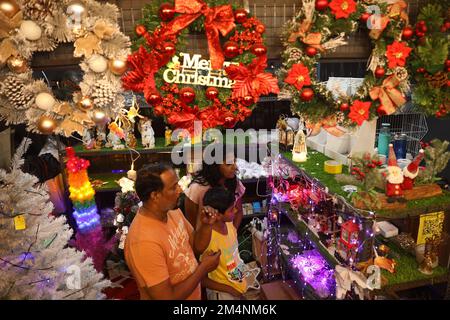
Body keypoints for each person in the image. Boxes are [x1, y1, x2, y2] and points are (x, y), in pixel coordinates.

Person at [124, 163, 221, 300]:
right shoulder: (143, 242)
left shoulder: (173, 212)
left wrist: (206, 226)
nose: (180, 190)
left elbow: (196, 247)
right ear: (155, 195)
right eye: (173, 187)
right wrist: (203, 268)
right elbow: (167, 297)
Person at [194, 187, 248, 300]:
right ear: (217, 215)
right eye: (231, 209)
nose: (236, 210)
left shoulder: (229, 225)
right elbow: (202, 279)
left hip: (236, 287)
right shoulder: (208, 238)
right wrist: (231, 290)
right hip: (222, 294)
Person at [184, 144, 245, 230]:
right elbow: (190, 222)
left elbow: (238, 211)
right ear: (214, 166)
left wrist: (233, 233)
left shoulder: (234, 182)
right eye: (228, 164)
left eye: (235, 161)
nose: (235, 167)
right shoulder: (197, 188)